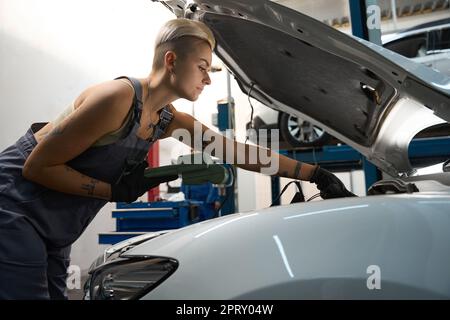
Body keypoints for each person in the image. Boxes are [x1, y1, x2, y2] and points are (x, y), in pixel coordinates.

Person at [0, 18, 354, 300]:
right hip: (14, 204)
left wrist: (315, 173)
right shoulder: (116, 99)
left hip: (55, 225)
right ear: (171, 60)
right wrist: (112, 190)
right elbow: (36, 167)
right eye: (202, 67)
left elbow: (237, 152)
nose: (207, 80)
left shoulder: (167, 121)